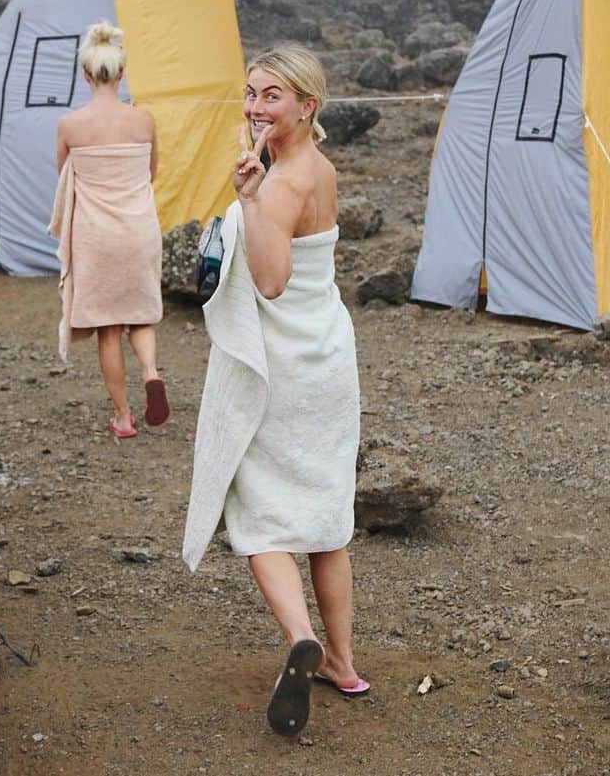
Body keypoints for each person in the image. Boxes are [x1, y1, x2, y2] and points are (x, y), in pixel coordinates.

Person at [182, 45, 367, 737]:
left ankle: (299, 637)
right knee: (325, 518)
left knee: (255, 512)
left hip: (279, 369)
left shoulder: (283, 182)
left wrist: (251, 198)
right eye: (252, 93)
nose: (257, 106)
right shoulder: (320, 167)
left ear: (306, 106)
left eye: (273, 96)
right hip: (328, 355)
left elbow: (269, 279)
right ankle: (343, 663)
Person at [48, 21, 168, 440]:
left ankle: (123, 416)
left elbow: (65, 175)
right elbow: (151, 173)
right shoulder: (144, 120)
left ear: (85, 74)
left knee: (109, 327)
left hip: (97, 237)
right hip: (140, 230)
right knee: (141, 316)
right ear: (121, 73)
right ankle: (151, 372)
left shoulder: (70, 125)